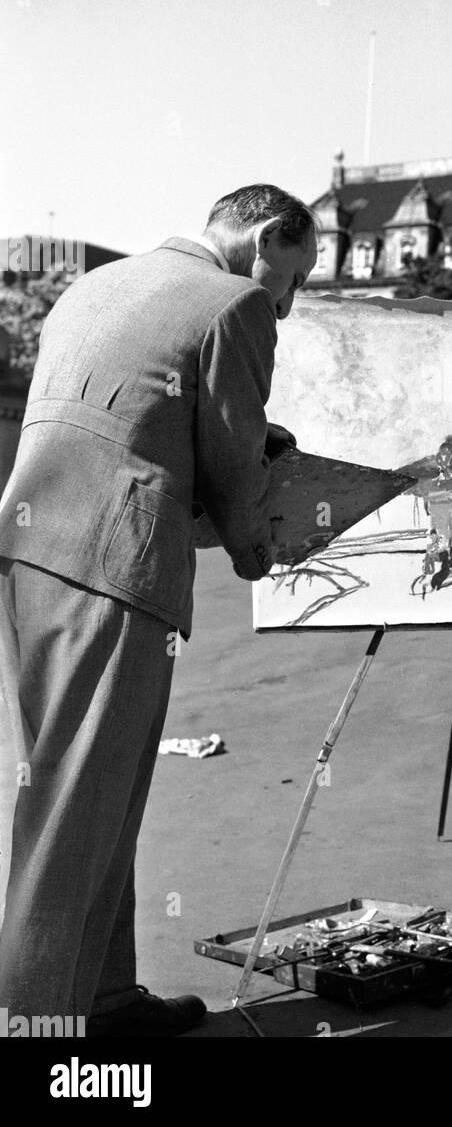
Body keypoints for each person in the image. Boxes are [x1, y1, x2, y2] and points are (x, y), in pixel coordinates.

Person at [0, 184, 318, 1036]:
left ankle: (100, 1000)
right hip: (113, 561)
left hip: (35, 550)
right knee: (74, 809)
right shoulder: (235, 302)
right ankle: (37, 1028)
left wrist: (253, 444)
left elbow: (134, 412)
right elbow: (230, 467)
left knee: (91, 788)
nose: (286, 305)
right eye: (293, 278)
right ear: (262, 239)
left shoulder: (101, 286)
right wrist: (261, 548)